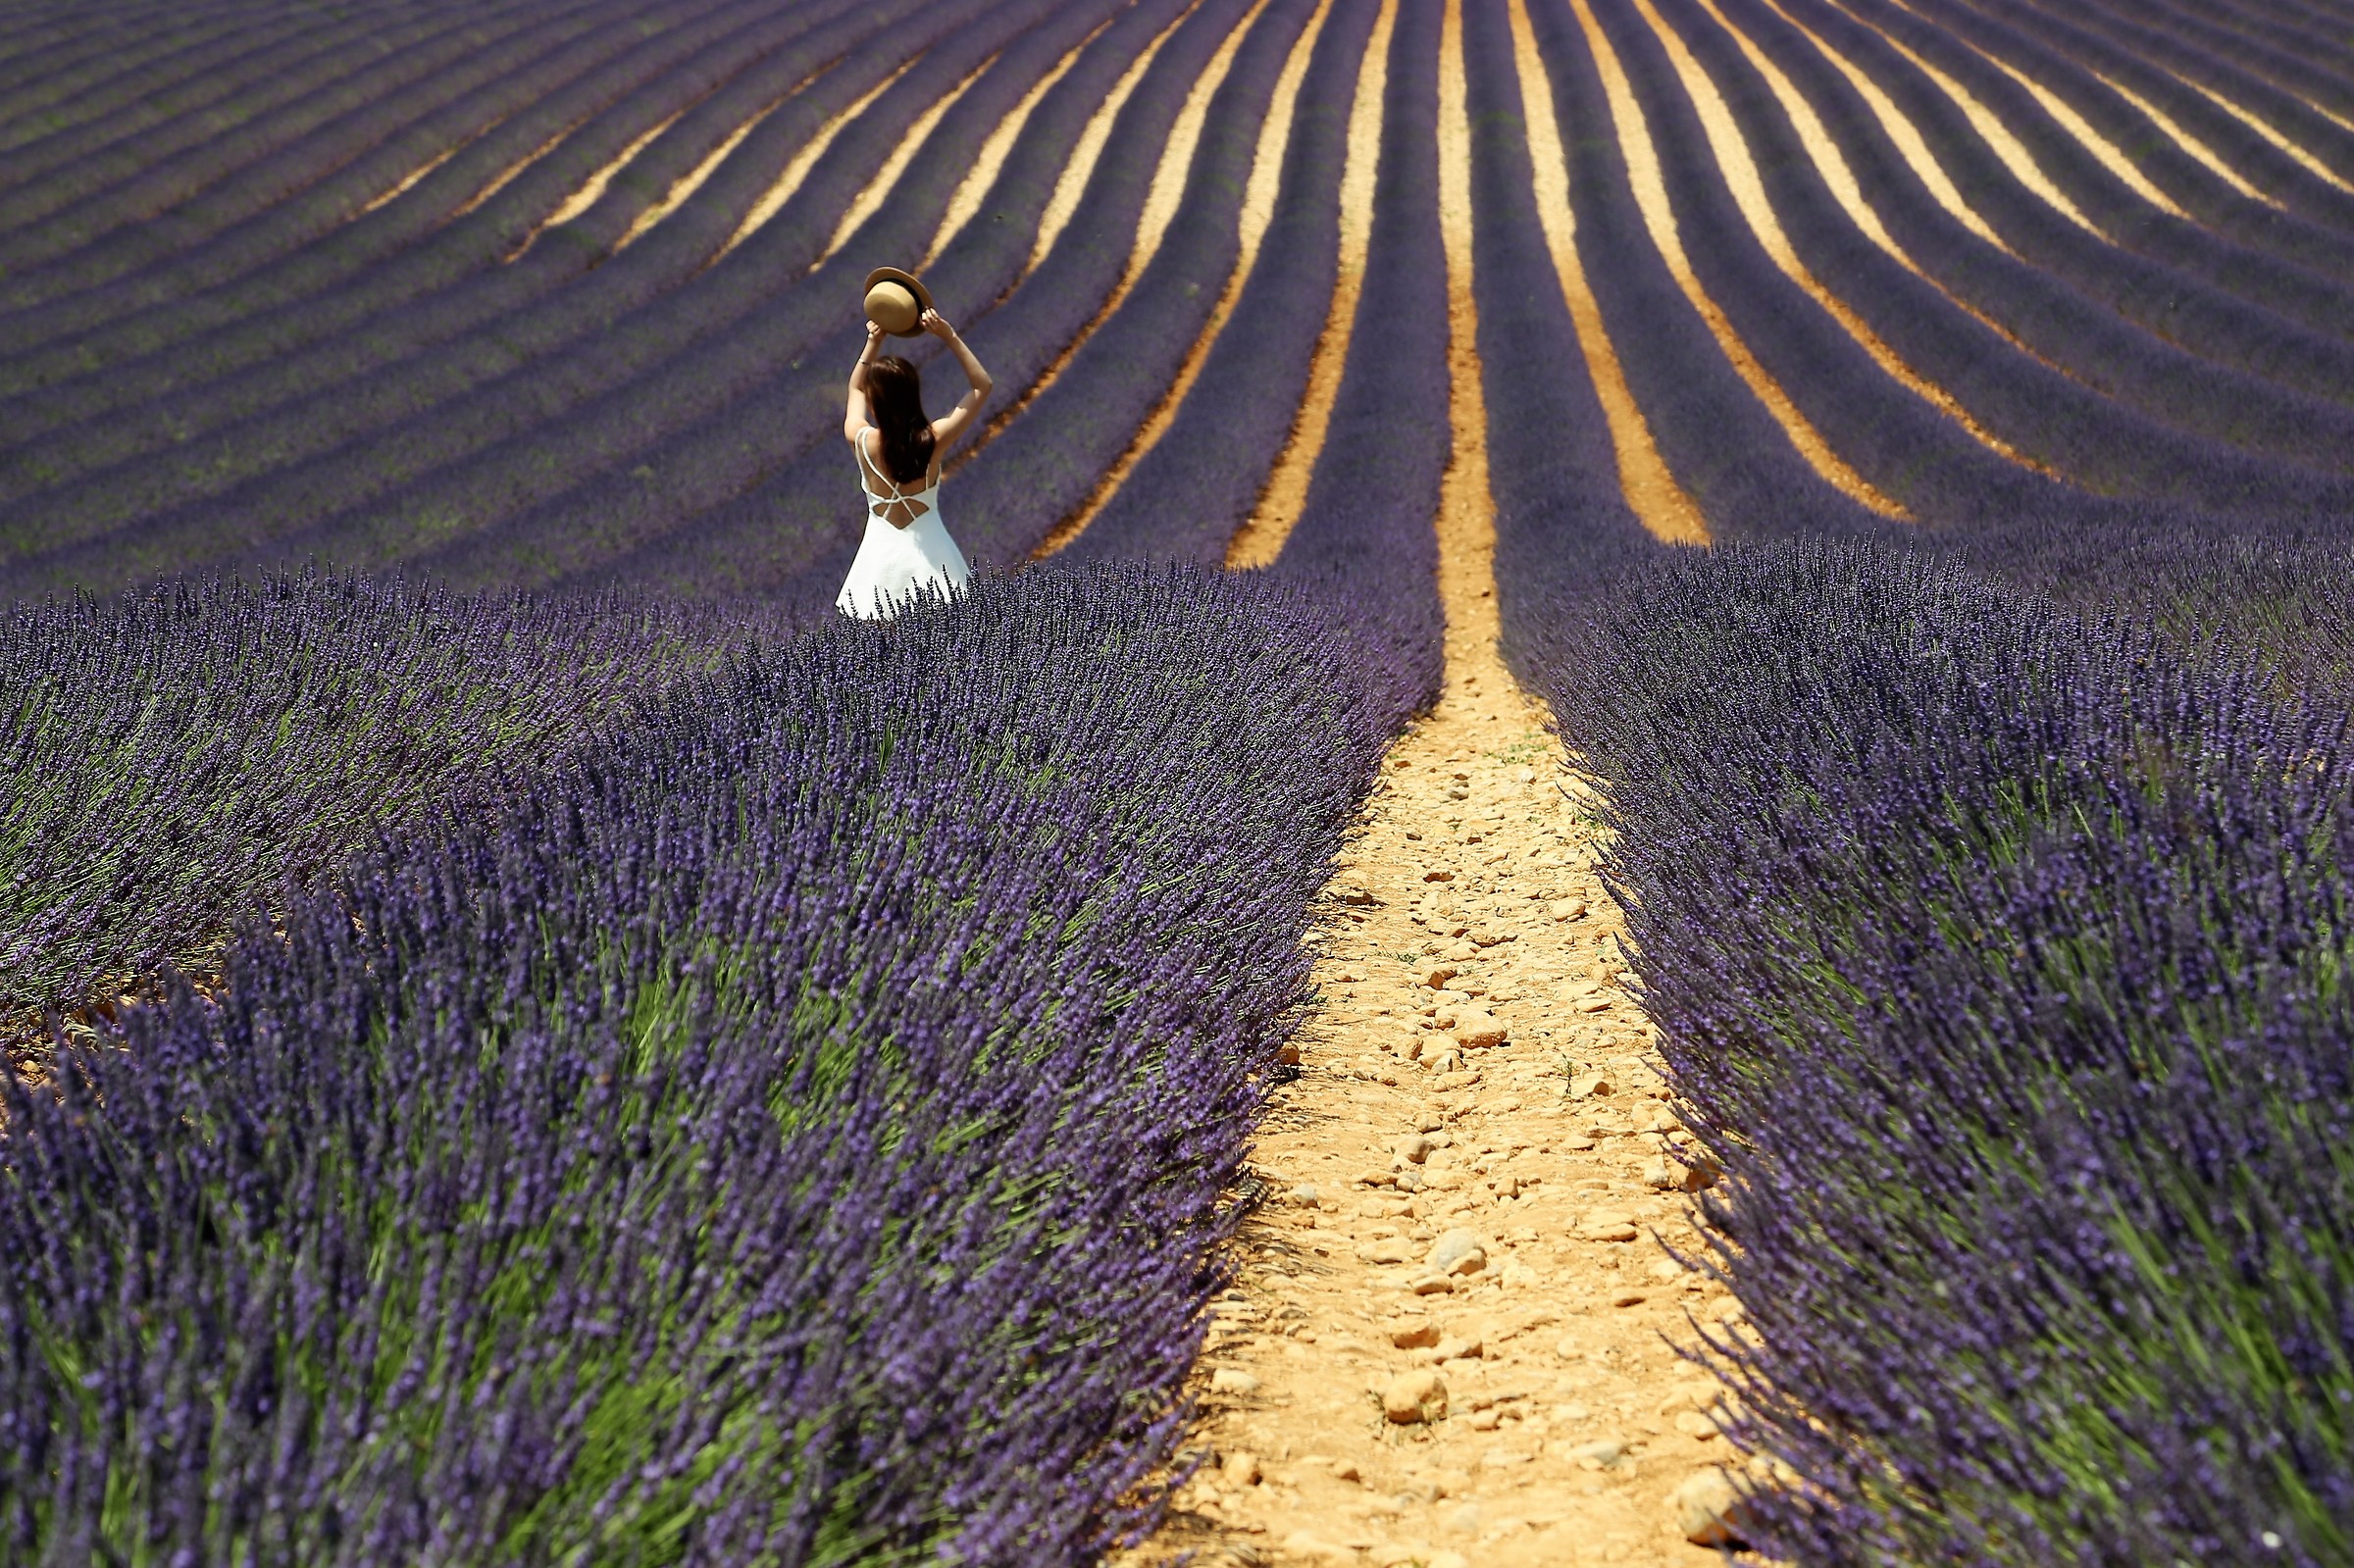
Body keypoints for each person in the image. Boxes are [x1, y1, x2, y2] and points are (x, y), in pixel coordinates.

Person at [837, 308, 993, 619]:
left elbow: (854, 387)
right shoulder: (933, 439)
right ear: (913, 395)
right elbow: (981, 386)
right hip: (933, 559)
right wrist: (948, 335)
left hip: (878, 561)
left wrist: (873, 342)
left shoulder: (861, 440)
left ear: (873, 400)